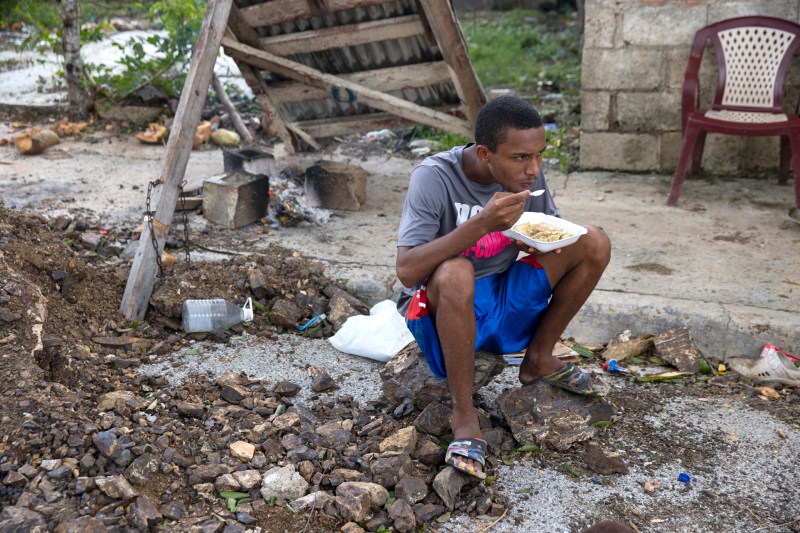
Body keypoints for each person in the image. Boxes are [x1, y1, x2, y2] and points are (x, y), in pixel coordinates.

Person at [395, 96, 611, 479]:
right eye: (521, 158)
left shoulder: (526, 174)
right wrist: (480, 224)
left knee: (594, 240)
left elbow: (552, 229)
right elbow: (407, 271)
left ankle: (538, 358)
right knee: (455, 271)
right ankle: (464, 415)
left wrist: (539, 241)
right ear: (485, 152)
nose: (533, 169)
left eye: (540, 155)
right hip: (441, 310)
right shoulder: (434, 177)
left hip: (501, 299)